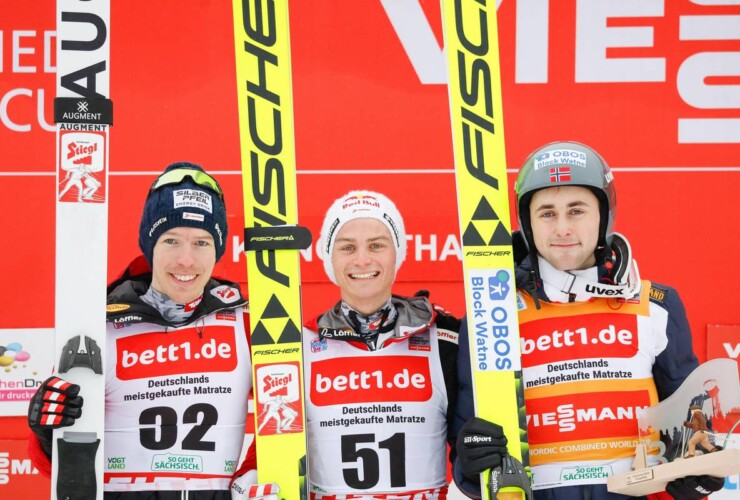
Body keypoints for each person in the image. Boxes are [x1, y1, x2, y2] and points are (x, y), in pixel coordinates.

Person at [452, 142, 725, 500]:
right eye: (547, 213)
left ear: (603, 215)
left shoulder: (656, 306)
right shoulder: (493, 315)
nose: (562, 228)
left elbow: (692, 429)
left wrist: (697, 471)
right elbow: (469, 450)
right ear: (528, 223)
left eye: (577, 210)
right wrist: (472, 464)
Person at [28, 162, 277, 499]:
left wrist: (251, 475)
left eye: (201, 243)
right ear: (150, 245)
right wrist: (46, 431)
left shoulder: (244, 323)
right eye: (171, 240)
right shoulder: (100, 326)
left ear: (217, 249)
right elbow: (52, 467)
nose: (186, 260)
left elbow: (289, 415)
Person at [301, 190, 461, 498]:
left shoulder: (444, 337)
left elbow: (472, 438)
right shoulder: (301, 345)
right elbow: (271, 437)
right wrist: (254, 471)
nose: (363, 259)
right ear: (329, 258)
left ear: (397, 252)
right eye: (347, 247)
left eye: (377, 245)